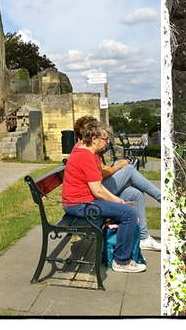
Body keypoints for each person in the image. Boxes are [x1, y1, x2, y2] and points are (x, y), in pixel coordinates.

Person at [62, 116, 145, 273]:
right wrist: (117, 202)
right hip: (78, 206)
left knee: (126, 205)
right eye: (105, 139)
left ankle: (119, 252)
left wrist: (117, 200)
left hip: (83, 202)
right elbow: (98, 191)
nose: (107, 142)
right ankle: (121, 261)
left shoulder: (90, 153)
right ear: (94, 139)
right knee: (129, 213)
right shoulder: (85, 156)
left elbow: (98, 187)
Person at [99, 128, 163, 252]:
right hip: (98, 190)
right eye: (105, 139)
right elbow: (100, 175)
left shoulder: (93, 151)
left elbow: (103, 169)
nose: (107, 142)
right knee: (128, 169)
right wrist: (118, 167)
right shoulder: (85, 152)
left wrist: (116, 167)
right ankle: (162, 198)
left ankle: (143, 238)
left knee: (137, 194)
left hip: (101, 185)